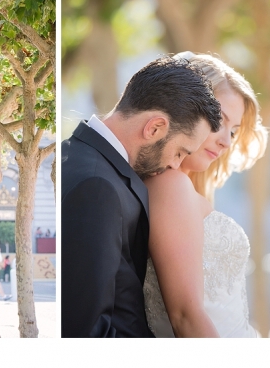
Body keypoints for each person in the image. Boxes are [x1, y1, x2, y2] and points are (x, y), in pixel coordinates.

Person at [62, 55, 222, 338]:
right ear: (155, 128)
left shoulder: (84, 160)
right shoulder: (97, 186)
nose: (176, 165)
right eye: (181, 151)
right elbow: (87, 331)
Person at [143, 52, 268, 338]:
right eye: (218, 120)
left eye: (234, 131)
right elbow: (186, 316)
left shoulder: (185, 187)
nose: (226, 141)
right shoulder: (170, 185)